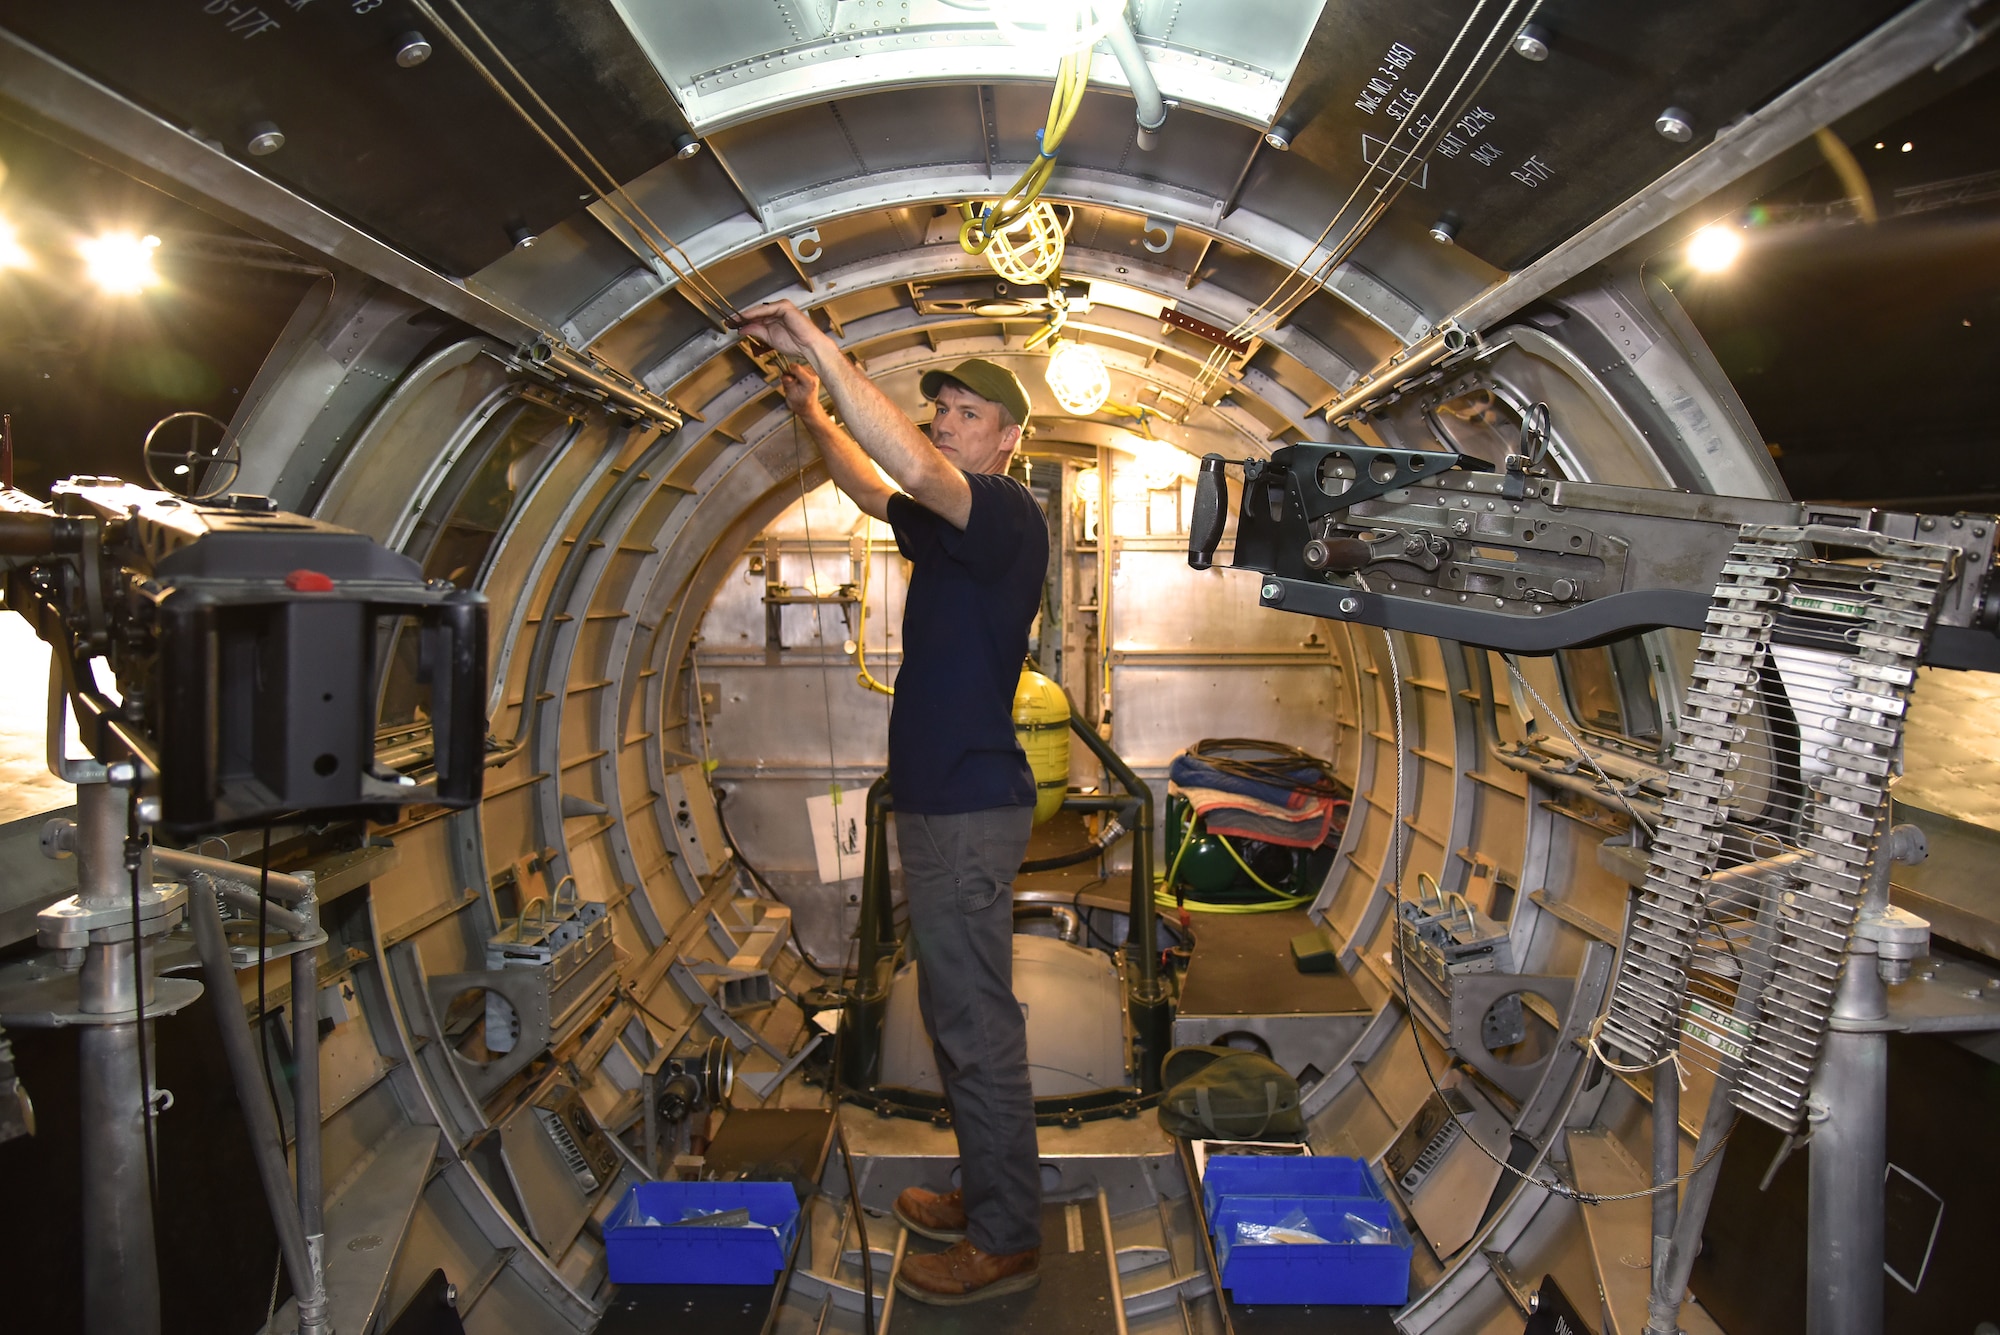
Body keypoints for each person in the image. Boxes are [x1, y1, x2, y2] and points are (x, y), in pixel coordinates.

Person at [734, 299, 1049, 1306]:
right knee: (959, 1014)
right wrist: (812, 410)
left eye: (963, 412)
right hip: (940, 804)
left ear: (1006, 436)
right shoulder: (950, 529)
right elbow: (876, 490)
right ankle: (981, 1190)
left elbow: (911, 468)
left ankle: (1006, 1237)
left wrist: (818, 347)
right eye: (941, 408)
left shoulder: (1001, 511)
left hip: (965, 808)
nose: (947, 422)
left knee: (975, 1024)